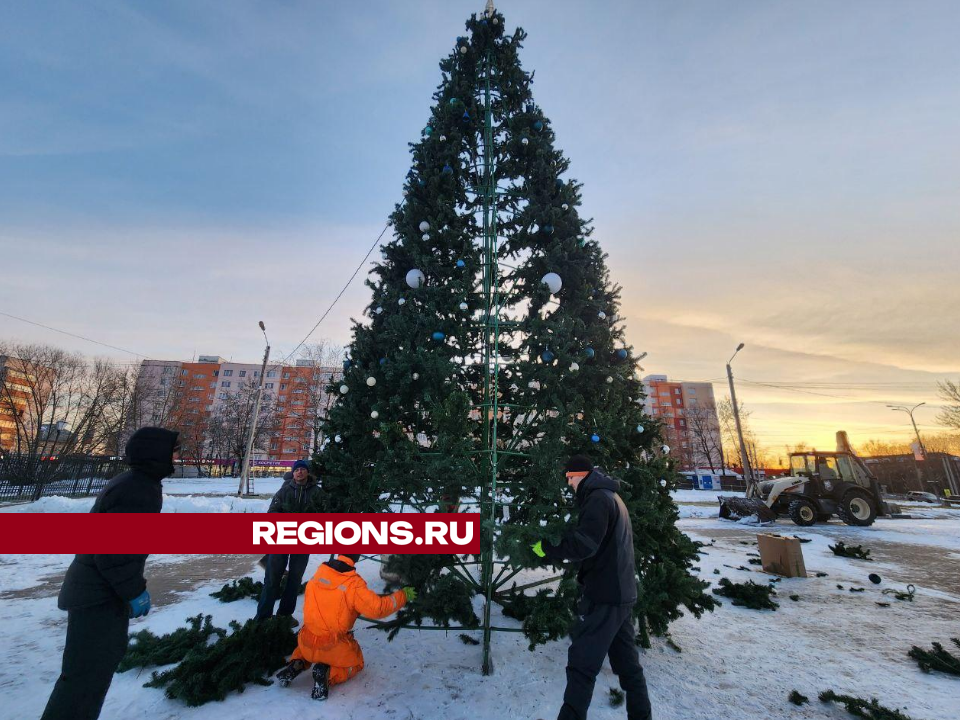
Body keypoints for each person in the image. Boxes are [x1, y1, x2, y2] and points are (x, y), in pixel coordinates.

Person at [41, 426, 180, 720]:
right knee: (85, 680)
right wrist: (135, 591)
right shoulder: (138, 490)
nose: (177, 456)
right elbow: (114, 553)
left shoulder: (135, 483)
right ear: (155, 454)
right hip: (98, 597)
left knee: (84, 676)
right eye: (173, 451)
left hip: (95, 593)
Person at [531, 454, 652, 720]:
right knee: (629, 669)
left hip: (605, 596)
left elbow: (585, 544)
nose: (569, 484)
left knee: (581, 666)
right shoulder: (611, 497)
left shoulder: (597, 499)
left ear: (580, 475)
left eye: (569, 478)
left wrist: (548, 549)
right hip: (621, 593)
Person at [275, 554, 415, 700]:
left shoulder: (320, 573)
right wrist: (403, 595)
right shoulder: (353, 585)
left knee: (311, 639)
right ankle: (328, 673)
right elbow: (378, 608)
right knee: (357, 662)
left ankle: (297, 662)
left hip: (305, 641)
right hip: (332, 646)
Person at [255, 459, 321, 620]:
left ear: (307, 472)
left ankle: (284, 615)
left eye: (303, 469)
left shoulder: (316, 493)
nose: (299, 472)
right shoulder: (284, 491)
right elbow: (272, 512)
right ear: (293, 473)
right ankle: (263, 617)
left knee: (295, 579)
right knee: (272, 578)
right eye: (297, 469)